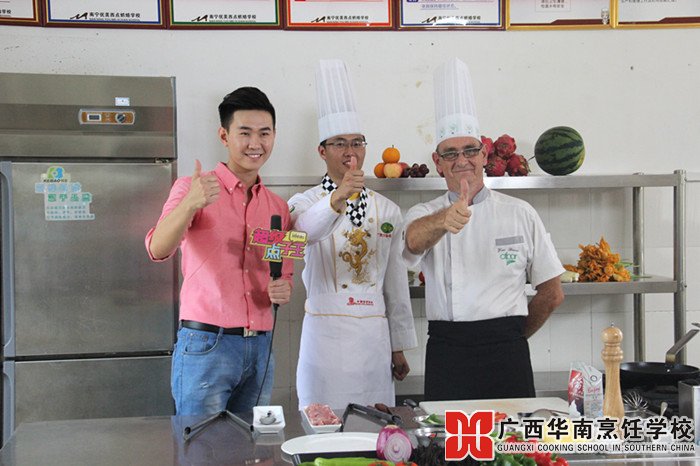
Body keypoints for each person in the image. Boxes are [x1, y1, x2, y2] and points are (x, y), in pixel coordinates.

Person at [403, 58, 564, 401]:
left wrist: (512, 337)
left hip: (507, 352)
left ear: (484, 155)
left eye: (470, 150)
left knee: (514, 436)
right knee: (447, 435)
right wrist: (444, 220)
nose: (461, 160)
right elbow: (412, 241)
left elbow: (552, 293)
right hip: (448, 352)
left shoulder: (521, 213)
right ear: (437, 162)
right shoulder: (425, 213)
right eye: (450, 154)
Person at [145, 87, 293, 415]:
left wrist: (283, 287)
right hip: (207, 345)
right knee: (201, 442)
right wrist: (190, 204)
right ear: (224, 136)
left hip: (261, 346)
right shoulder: (192, 188)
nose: (255, 143)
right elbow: (157, 249)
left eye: (264, 133)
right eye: (245, 132)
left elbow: (280, 270)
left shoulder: (277, 207)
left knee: (252, 443)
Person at [288, 59, 417, 409]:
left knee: (374, 428)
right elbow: (302, 234)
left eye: (357, 142)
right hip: (324, 341)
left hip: (373, 341)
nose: (351, 152)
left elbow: (395, 282)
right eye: (340, 143)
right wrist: (338, 197)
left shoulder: (388, 210)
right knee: (322, 426)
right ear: (322, 151)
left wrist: (398, 345)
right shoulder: (304, 201)